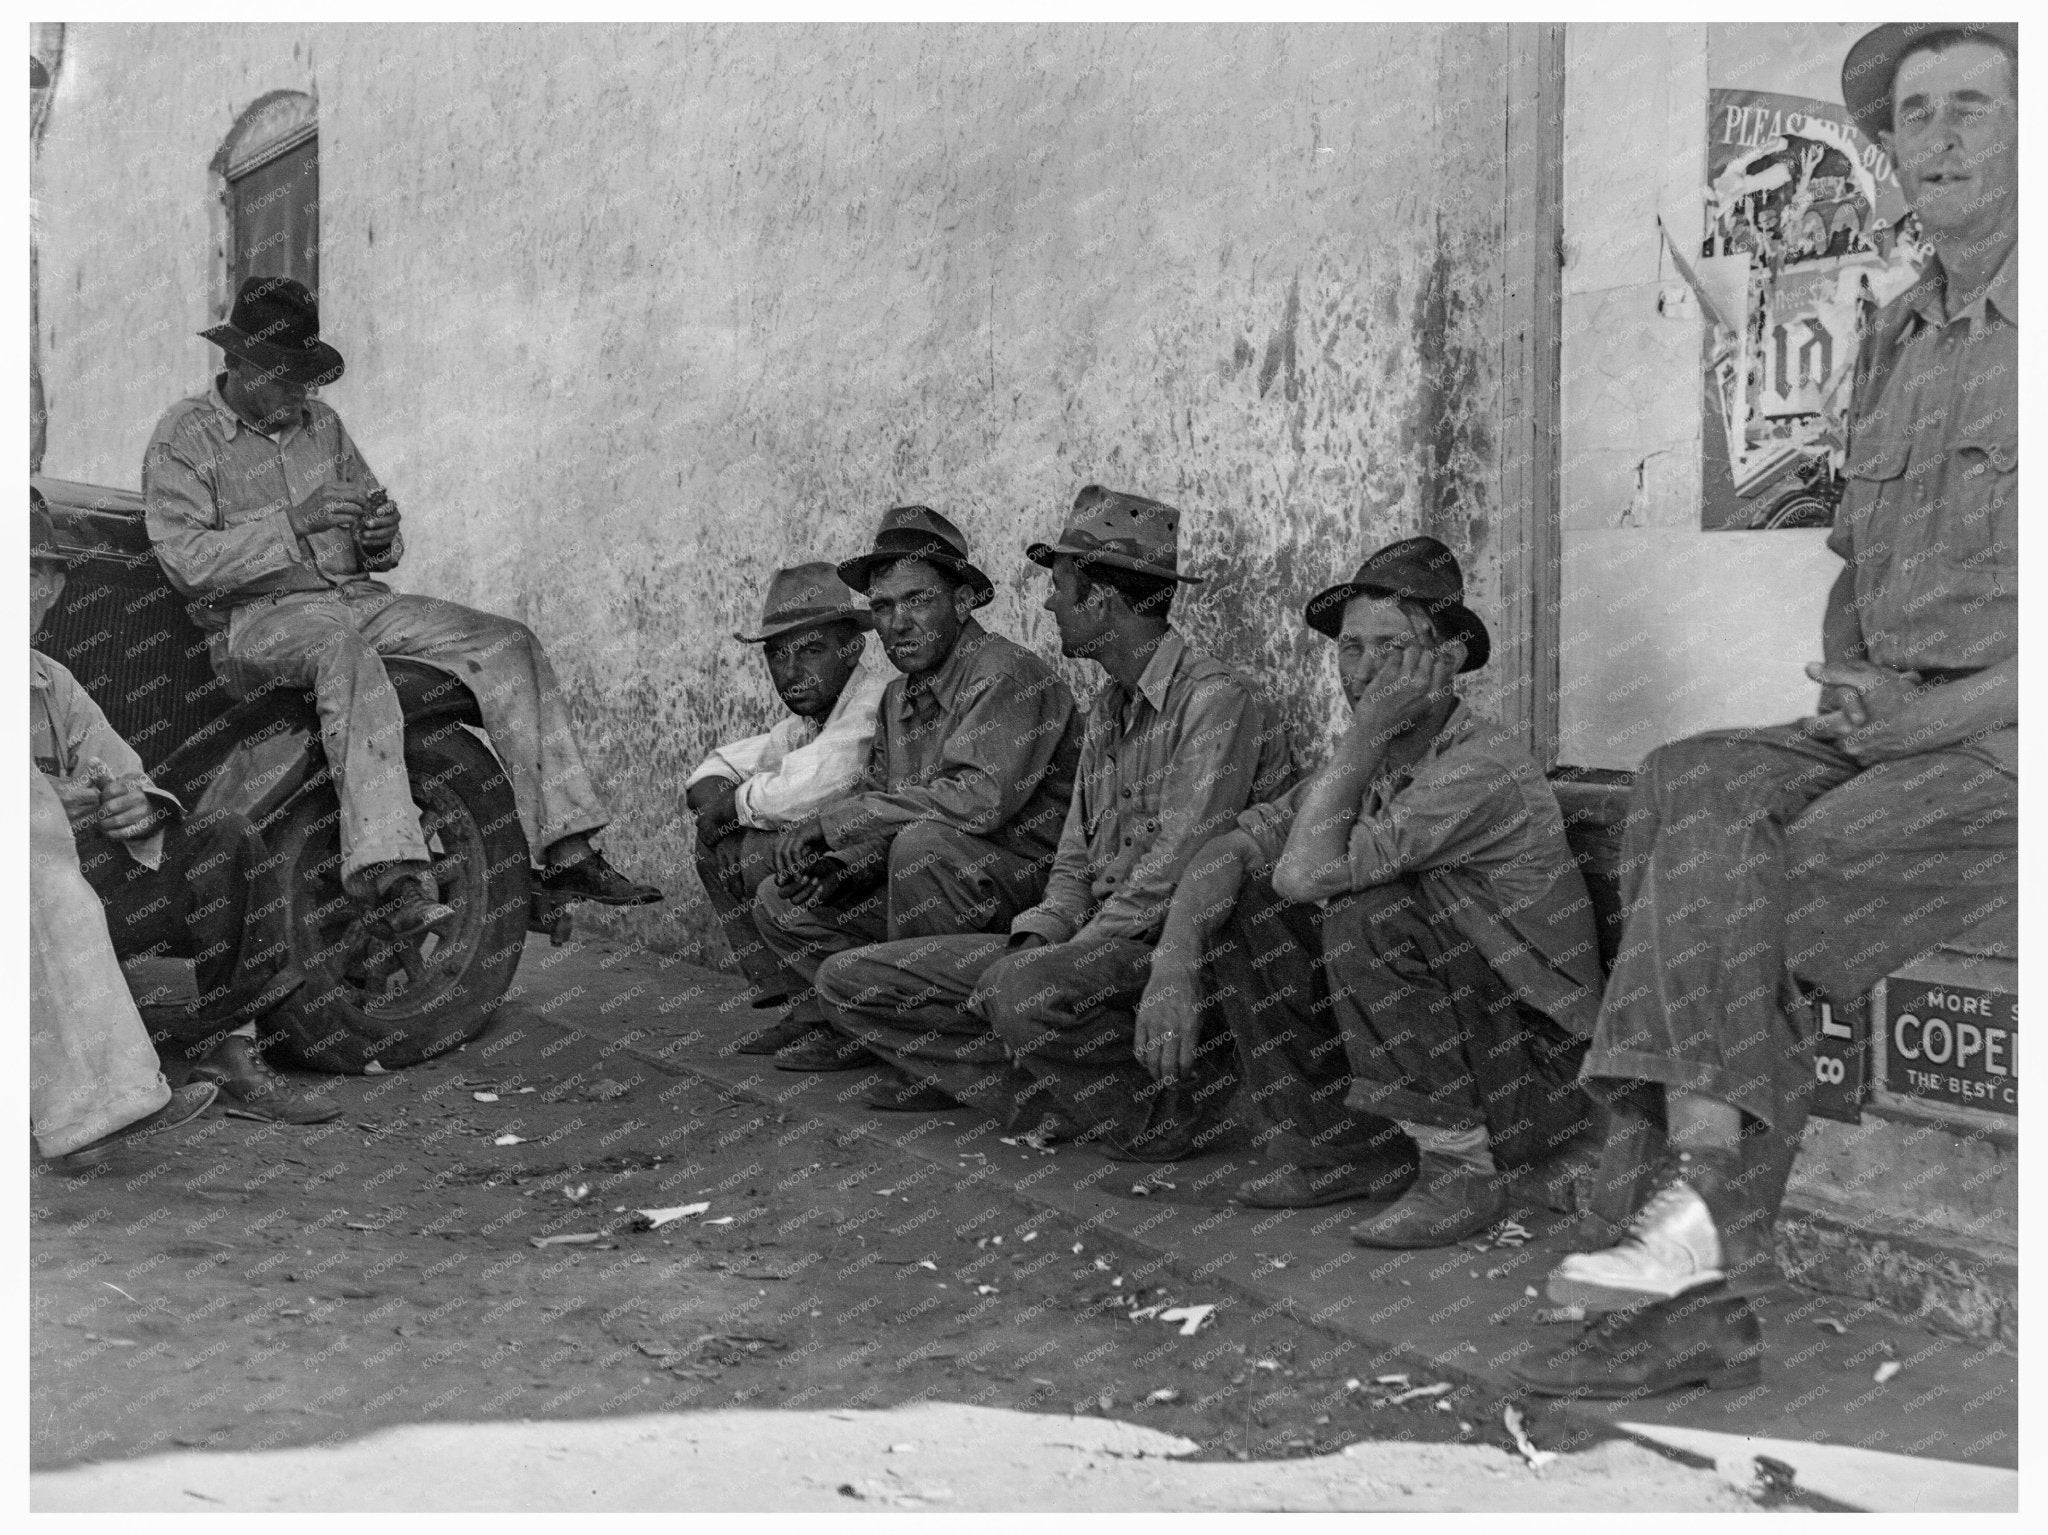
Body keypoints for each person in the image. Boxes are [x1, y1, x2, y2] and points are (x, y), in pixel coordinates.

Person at [1514, 23, 2018, 1400]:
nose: (1950, 135)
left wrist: (1940, 713)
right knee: (1684, 778)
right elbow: (1859, 555)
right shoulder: (1900, 331)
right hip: (1901, 722)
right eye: (1923, 115)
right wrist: (1856, 680)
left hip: (2006, 744)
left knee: (1747, 879)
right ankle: (1683, 1230)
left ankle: (1679, 1226)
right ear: (1895, 150)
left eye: (1980, 103)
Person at [142, 276, 660, 941]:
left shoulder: (321, 424)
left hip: (354, 599)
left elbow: (373, 532)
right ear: (236, 362)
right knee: (344, 655)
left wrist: (379, 536)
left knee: (507, 643)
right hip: (257, 621)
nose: (298, 394)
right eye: (282, 377)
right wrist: (294, 522)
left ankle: (567, 852)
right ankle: (393, 876)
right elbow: (186, 563)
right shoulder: (183, 436)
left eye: (305, 378)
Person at [811, 487, 1290, 1149]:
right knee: (848, 981)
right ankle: (1055, 1096)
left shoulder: (1214, 701)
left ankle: (1170, 1119)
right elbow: (1073, 866)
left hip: (1172, 954)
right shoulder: (1108, 714)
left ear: (1103, 600)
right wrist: (1040, 939)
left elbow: (1175, 870)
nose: (1048, 603)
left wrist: (1062, 957)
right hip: (1090, 946)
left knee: (1020, 992)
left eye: (1061, 588)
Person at [1141, 537, 1600, 1229]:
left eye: (1391, 648)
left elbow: (1306, 872)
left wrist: (1365, 733)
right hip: (1467, 1052)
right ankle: (1341, 1151)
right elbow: (1231, 848)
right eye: (1350, 649)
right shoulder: (1375, 759)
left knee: (1368, 912)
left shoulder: (1477, 769)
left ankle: (1462, 1176)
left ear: (1445, 660)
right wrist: (1172, 959)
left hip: (1536, 1074)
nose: (1364, 671)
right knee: (1248, 895)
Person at [32, 493, 335, 1125]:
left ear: (55, 588)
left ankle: (230, 1051)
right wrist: (56, 803)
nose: (19, 592)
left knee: (222, 838)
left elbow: (127, 774)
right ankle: (79, 1102)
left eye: (34, 574)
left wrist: (139, 806)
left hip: (82, 903)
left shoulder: (51, 683)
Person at [752, 505, 1082, 1068]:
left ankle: (946, 1053)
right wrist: (846, 862)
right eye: (882, 606)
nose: (898, 622)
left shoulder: (1006, 675)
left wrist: (842, 822)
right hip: (934, 886)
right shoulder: (897, 699)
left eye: (918, 600)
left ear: (961, 601)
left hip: (1022, 891)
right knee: (781, 897)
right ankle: (866, 1026)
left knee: (921, 848)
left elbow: (975, 803)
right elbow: (887, 801)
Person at [683, 562, 889, 1043]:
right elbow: (716, 767)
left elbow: (806, 787)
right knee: (718, 844)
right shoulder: (808, 720)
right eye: (778, 656)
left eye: (812, 651)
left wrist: (732, 810)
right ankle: (801, 1005)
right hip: (844, 869)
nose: (792, 672)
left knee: (761, 849)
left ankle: (841, 1019)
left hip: (882, 870)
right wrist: (723, 811)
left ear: (852, 648)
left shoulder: (872, 700)